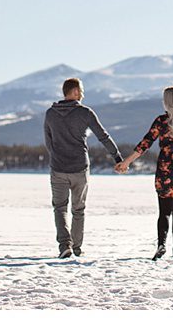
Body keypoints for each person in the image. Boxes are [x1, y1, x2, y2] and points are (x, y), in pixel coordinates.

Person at [115, 84, 173, 260]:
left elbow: (145, 144)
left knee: (164, 212)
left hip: (165, 171)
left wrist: (126, 162)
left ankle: (161, 245)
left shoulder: (161, 121)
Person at [43, 76, 124, 258]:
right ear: (75, 92)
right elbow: (103, 136)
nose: (83, 93)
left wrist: (57, 157)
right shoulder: (85, 112)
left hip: (58, 168)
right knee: (78, 209)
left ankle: (65, 245)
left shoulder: (50, 113)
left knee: (60, 208)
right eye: (81, 89)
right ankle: (76, 247)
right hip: (80, 168)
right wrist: (117, 157)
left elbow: (49, 142)